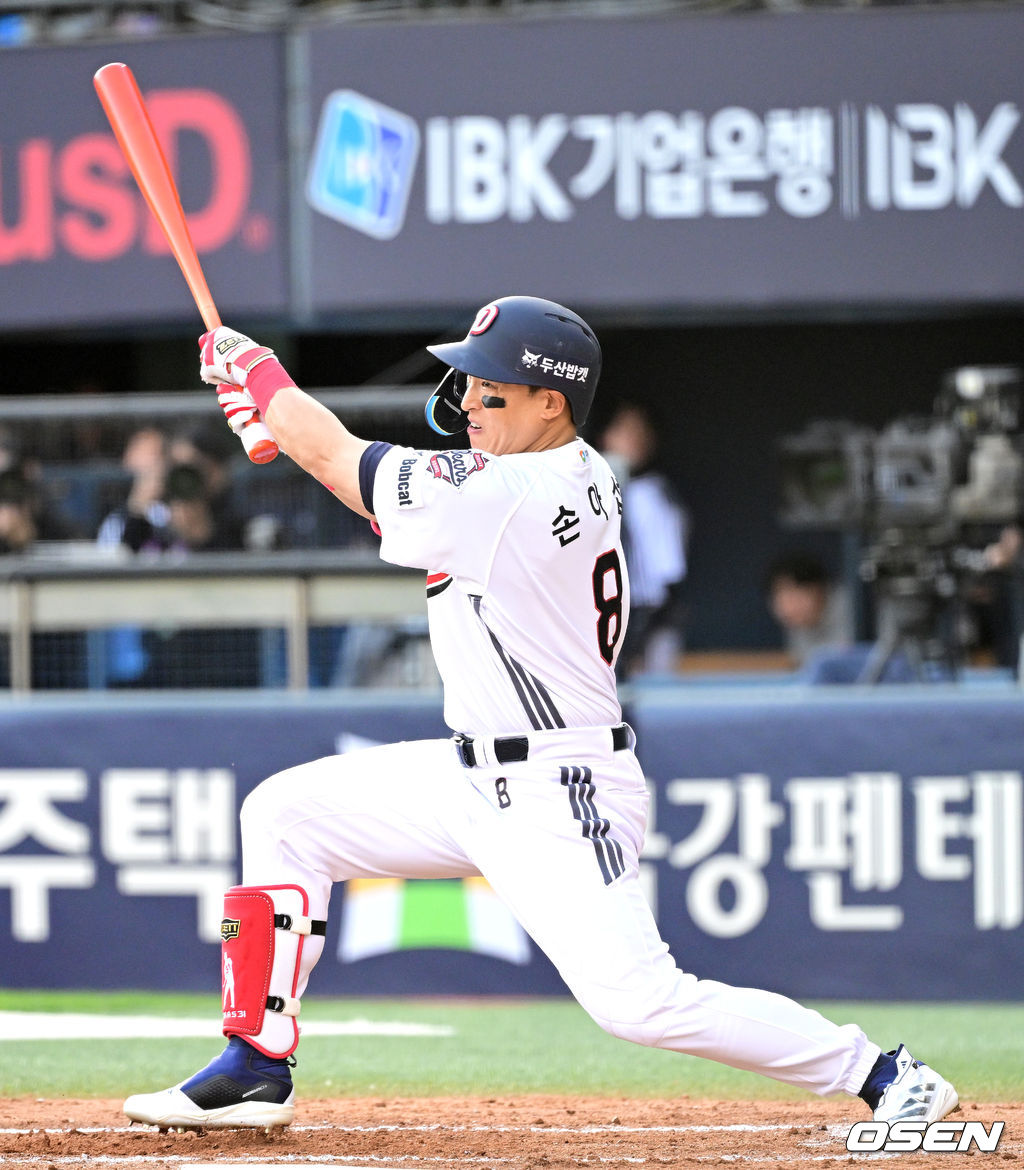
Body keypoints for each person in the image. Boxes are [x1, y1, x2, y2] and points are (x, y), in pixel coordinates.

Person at [123, 297, 958, 1134]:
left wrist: (259, 376)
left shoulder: (516, 491)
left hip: (557, 786)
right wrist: (281, 422)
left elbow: (344, 460)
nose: (466, 400)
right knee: (284, 814)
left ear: (549, 401)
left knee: (641, 1003)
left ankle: (882, 1074)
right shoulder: (557, 472)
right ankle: (256, 1065)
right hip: (476, 772)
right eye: (468, 381)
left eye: (489, 388)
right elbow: (379, 495)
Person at [600, 401, 689, 677]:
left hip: (648, 617)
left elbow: (667, 575)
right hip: (593, 617)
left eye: (641, 431)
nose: (634, 439)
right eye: (626, 430)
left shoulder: (655, 492)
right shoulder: (581, 487)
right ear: (606, 435)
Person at [764, 551, 854, 668]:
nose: (787, 607)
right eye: (779, 595)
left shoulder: (851, 607)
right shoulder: (796, 621)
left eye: (795, 594)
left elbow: (844, 662)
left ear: (819, 589)